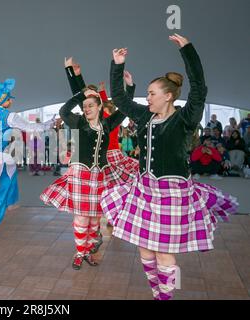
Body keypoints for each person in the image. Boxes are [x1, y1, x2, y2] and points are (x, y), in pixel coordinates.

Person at [100, 34, 238, 300]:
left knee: (164, 252)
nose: (148, 97)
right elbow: (119, 96)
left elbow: (199, 87)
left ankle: (167, 296)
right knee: (144, 250)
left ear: (169, 96)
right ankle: (157, 293)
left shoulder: (185, 119)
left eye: (152, 93)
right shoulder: (143, 116)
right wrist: (117, 65)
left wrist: (187, 50)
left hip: (173, 194)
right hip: (145, 190)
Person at [41, 63, 132, 269]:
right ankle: (79, 253)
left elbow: (125, 110)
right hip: (79, 174)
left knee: (94, 220)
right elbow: (64, 110)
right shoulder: (78, 122)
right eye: (85, 106)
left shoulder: (107, 124)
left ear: (100, 106)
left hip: (98, 176)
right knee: (81, 218)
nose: (87, 108)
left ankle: (90, 251)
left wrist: (130, 87)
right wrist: (80, 93)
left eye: (91, 105)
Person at [0, 78, 56, 243]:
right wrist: (49, 124)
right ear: (4, 100)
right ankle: (10, 202)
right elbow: (30, 127)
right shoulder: (9, 116)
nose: (11, 101)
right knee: (10, 172)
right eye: (9, 99)